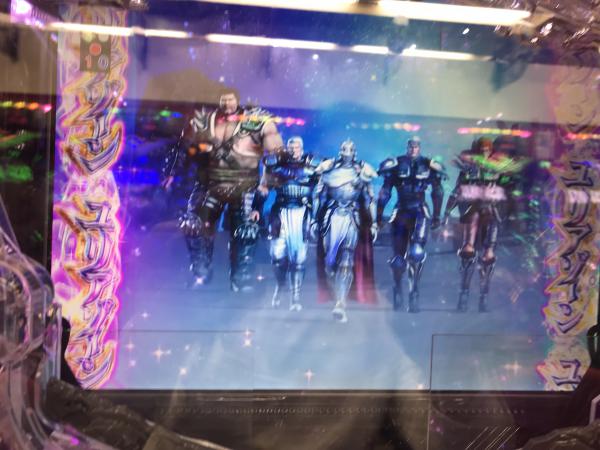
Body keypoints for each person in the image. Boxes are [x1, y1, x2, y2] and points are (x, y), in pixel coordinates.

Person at [163, 89, 284, 292]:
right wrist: (172, 173)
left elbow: (274, 155)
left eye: (231, 99)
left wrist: (263, 190)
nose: (227, 104)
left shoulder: (257, 121)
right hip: (210, 184)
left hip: (243, 186)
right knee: (193, 225)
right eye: (223, 100)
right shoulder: (203, 121)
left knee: (246, 230)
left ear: (238, 100)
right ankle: (201, 272)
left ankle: (240, 277)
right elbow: (183, 148)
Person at [443, 137, 520, 312]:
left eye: (487, 150)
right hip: (473, 210)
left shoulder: (499, 168)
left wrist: (511, 211)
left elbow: (509, 190)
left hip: (492, 211)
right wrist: (447, 212)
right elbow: (457, 191)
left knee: (488, 255)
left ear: (491, 152)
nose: (484, 153)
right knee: (468, 251)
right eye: (482, 151)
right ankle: (464, 294)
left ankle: (483, 296)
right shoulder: (470, 168)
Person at [312, 140, 378, 323]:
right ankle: (336, 294)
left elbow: (370, 199)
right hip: (331, 215)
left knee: (346, 260)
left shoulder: (363, 170)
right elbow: (318, 195)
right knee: (329, 262)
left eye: (350, 150)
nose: (347, 152)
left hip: (351, 215)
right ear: (340, 151)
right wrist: (314, 219)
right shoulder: (328, 168)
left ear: (355, 152)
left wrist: (373, 223)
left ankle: (340, 303)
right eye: (344, 149)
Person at [377, 137, 445, 313]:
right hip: (401, 211)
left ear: (419, 148)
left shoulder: (428, 164)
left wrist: (437, 216)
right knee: (398, 259)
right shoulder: (396, 164)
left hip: (420, 211)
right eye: (411, 146)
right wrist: (378, 216)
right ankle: (398, 288)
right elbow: (385, 192)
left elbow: (437, 191)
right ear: (407, 147)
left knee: (416, 253)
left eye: (416, 146)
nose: (413, 149)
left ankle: (414, 291)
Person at [260, 136, 322, 311]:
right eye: (291, 147)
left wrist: (317, 217)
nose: (294, 150)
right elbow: (264, 186)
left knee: (299, 259)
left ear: (302, 148)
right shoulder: (276, 165)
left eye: (297, 147)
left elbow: (321, 190)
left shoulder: (313, 165)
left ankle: (295, 297)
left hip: (301, 214)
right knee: (277, 257)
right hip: (280, 213)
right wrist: (258, 202)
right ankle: (280, 286)